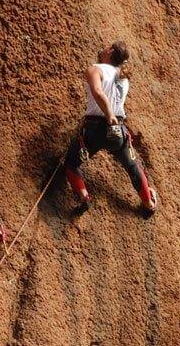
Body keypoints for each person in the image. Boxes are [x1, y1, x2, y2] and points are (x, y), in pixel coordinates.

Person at [63, 41, 159, 218]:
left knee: (70, 163)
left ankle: (84, 197)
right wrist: (114, 120)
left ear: (111, 51)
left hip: (96, 128)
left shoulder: (95, 69)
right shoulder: (124, 78)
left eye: (107, 47)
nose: (104, 48)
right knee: (132, 165)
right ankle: (148, 203)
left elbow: (98, 92)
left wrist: (108, 115)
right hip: (119, 133)